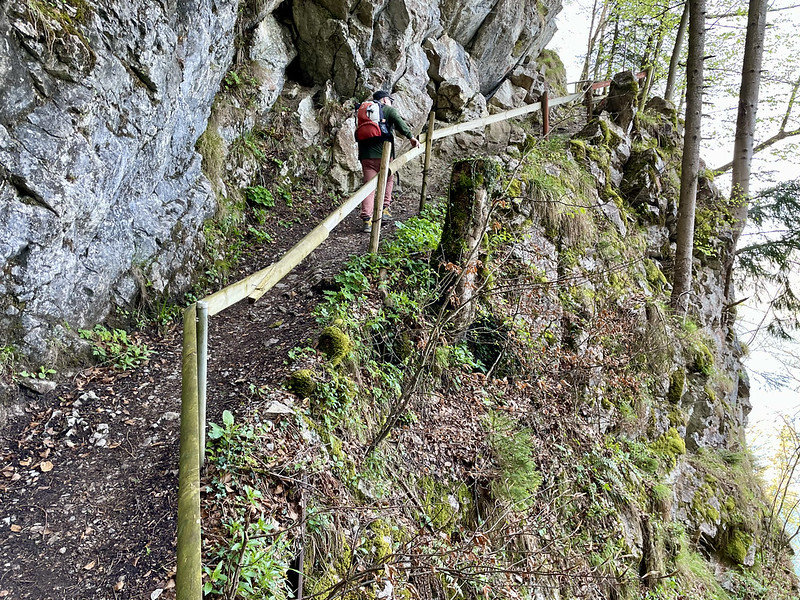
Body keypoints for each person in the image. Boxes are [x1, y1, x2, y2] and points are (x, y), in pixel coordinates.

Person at [357, 90, 420, 233]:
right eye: (390, 100)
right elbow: (400, 123)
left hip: (365, 155)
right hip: (383, 155)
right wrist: (411, 137)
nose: (391, 102)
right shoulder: (388, 110)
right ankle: (384, 209)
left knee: (368, 186)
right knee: (388, 179)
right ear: (385, 100)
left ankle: (367, 220)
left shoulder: (363, 111)